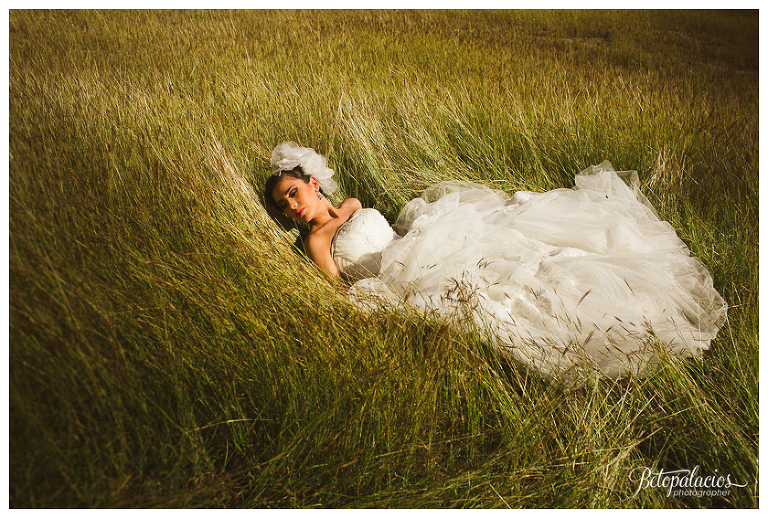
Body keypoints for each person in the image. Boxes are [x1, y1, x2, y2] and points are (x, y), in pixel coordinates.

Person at [265, 141, 728, 382]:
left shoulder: (351, 203)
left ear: (312, 182)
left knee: (530, 256)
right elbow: (339, 289)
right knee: (497, 305)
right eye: (285, 207)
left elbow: (389, 230)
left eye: (293, 193)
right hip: (397, 276)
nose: (293, 207)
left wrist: (419, 239)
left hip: (420, 244)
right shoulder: (317, 241)